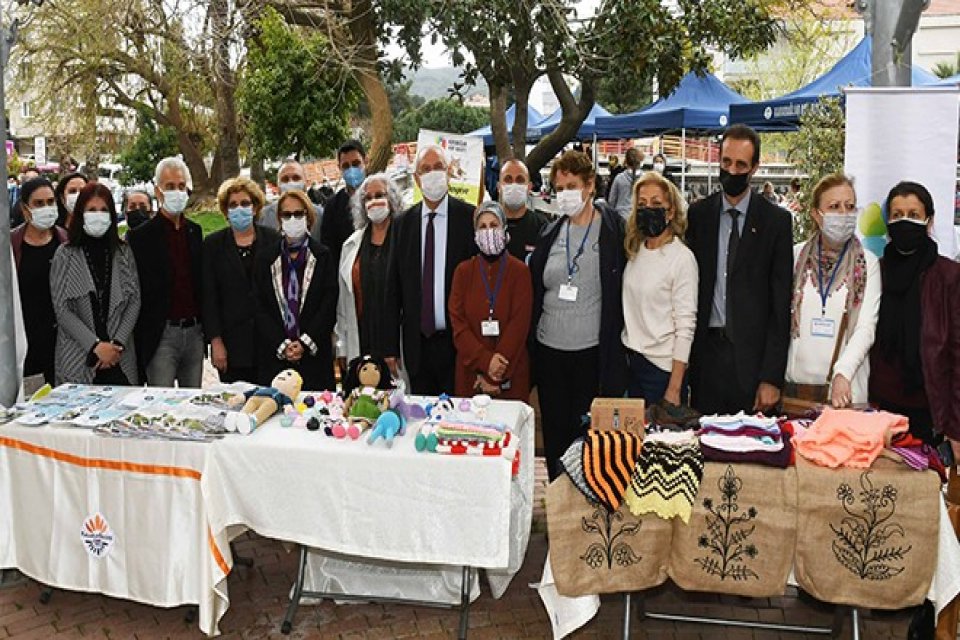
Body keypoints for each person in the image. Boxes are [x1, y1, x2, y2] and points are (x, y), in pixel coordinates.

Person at [529, 150, 627, 480]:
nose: (565, 195)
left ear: (590, 186)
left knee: (586, 439)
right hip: (549, 352)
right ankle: (558, 507)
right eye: (559, 188)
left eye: (571, 186)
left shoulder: (613, 231)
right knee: (555, 436)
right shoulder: (550, 232)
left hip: (591, 354)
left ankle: (584, 510)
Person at [686, 124, 793, 415]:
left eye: (741, 165)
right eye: (726, 162)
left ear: (754, 168)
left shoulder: (776, 222)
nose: (732, 171)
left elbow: (780, 306)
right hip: (706, 360)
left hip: (752, 364)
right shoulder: (698, 215)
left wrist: (771, 377)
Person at [869, 181, 960, 448]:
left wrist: (955, 428)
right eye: (897, 215)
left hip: (929, 412)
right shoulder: (876, 271)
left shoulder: (949, 277)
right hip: (877, 410)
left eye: (913, 215)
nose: (904, 222)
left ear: (929, 221)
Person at [385, 144, 477, 395]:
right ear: (416, 178)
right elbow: (393, 288)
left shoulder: (468, 218)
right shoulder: (402, 224)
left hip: (457, 343)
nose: (432, 173)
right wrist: (390, 347)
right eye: (425, 169)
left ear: (449, 173)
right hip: (417, 346)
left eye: (438, 167)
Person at [785, 174, 879, 408]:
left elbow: (866, 328)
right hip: (796, 394)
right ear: (817, 215)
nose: (843, 214)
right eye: (834, 207)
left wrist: (843, 372)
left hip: (844, 396)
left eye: (849, 206)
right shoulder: (795, 257)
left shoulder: (868, 263)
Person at [50, 182, 140, 385]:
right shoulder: (65, 255)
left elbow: (134, 300)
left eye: (103, 210)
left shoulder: (123, 252)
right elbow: (62, 310)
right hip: (78, 357)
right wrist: (96, 346)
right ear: (81, 213)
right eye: (91, 210)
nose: (97, 215)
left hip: (120, 358)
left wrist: (116, 345)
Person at [621, 172, 698, 407]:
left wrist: (674, 389)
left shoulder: (682, 258)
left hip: (662, 371)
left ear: (671, 211)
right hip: (631, 364)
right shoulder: (635, 251)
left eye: (656, 203)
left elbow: (685, 327)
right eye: (642, 204)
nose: (648, 209)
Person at [128, 157, 204, 387]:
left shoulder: (195, 231)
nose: (176, 192)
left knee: (193, 403)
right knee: (160, 405)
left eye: (181, 186)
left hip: (194, 333)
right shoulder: (140, 237)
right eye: (170, 186)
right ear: (158, 191)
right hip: (162, 335)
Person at [253, 189, 337, 390]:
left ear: (308, 218)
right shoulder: (266, 258)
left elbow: (329, 302)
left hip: (314, 357)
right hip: (276, 358)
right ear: (279, 220)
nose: (293, 219)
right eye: (287, 215)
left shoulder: (323, 256)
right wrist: (282, 345)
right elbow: (259, 305)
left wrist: (305, 343)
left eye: (299, 214)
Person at [449, 201, 533, 400]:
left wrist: (495, 374)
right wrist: (485, 362)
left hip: (510, 374)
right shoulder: (463, 272)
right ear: (475, 234)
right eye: (482, 227)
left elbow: (519, 324)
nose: (488, 231)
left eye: (494, 225)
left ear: (504, 229)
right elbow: (458, 323)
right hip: (471, 375)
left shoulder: (520, 271)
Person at [203, 177, 281, 384]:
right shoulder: (213, 246)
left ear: (255, 207)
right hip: (232, 345)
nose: (240, 209)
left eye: (245, 203)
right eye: (233, 205)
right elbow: (209, 297)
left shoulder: (274, 240)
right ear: (226, 211)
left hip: (270, 342)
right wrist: (215, 341)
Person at [336, 172, 403, 366]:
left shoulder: (405, 238)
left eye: (380, 195)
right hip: (362, 338)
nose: (374, 202)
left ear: (392, 199)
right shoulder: (351, 245)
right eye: (368, 198)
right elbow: (343, 302)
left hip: (396, 341)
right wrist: (342, 346)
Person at [11, 177, 68, 385]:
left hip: (64, 345)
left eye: (50, 202)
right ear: (25, 209)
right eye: (39, 204)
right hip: (26, 345)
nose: (47, 208)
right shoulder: (11, 246)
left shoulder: (67, 241)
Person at [320, 140, 369, 265]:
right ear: (339, 168)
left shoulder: (379, 196)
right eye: (346, 166)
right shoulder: (332, 207)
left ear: (366, 161)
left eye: (356, 163)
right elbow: (329, 249)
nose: (351, 170)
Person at [498, 159, 550, 262]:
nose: (514, 185)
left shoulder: (542, 227)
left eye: (520, 180)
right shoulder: (489, 225)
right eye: (508, 179)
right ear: (499, 187)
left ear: (529, 187)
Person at [260, 160, 323, 238]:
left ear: (305, 183)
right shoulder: (263, 217)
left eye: (296, 178)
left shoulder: (321, 215)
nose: (291, 182)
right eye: (285, 179)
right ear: (278, 186)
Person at [607, 147, 643, 218]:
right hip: (638, 217)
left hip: (621, 216)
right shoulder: (644, 178)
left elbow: (611, 201)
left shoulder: (619, 178)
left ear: (626, 161)